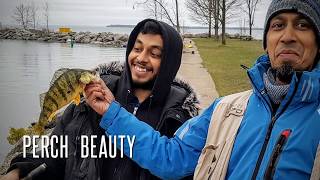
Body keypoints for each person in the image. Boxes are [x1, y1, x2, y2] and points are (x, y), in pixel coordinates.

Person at [84, 0, 320, 179]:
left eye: (302, 25)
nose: (288, 36)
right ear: (267, 39)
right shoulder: (226, 110)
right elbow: (170, 157)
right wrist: (111, 111)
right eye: (278, 25)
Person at [1, 19, 199, 179]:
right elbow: (55, 152)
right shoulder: (91, 96)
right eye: (137, 49)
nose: (141, 58)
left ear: (170, 63)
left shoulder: (179, 117)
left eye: (154, 53)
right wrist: (19, 170)